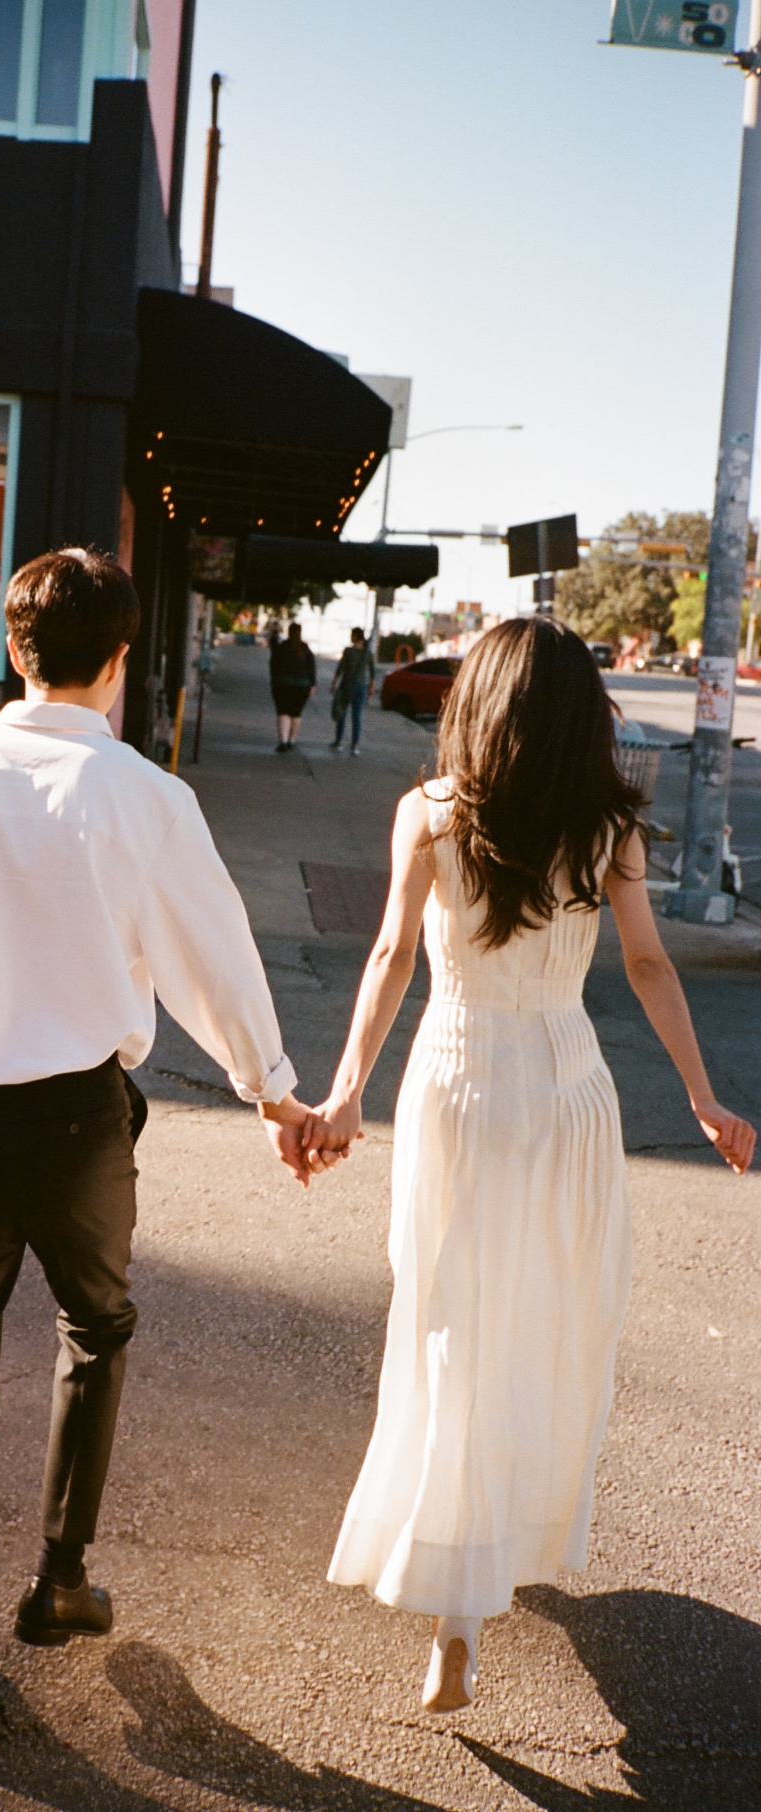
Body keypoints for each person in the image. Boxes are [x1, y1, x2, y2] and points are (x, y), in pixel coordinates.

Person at [0, 548, 323, 1766]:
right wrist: (272, 1091)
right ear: (119, 665)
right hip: (83, 1125)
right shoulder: (146, 797)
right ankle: (62, 1573)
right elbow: (215, 952)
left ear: (17, 650)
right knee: (97, 1328)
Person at [310, 617, 754, 1713]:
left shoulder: (429, 815)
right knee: (546, 1323)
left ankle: (453, 1609)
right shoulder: (610, 829)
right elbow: (646, 963)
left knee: (449, 1320)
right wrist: (703, 1096)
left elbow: (391, 957)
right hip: (566, 1090)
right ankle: (506, 1542)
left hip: (457, 1082)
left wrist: (345, 1091)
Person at [269, 620, 317, 752]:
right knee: (296, 714)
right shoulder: (305, 649)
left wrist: (273, 682)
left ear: (288, 632)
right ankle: (292, 740)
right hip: (302, 686)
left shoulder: (282, 647)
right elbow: (311, 667)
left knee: (283, 712)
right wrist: (312, 685)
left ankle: (283, 741)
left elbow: (273, 665)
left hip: (282, 683)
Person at [330, 627, 376, 754]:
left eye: (352, 635)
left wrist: (334, 683)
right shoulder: (368, 653)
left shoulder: (349, 651)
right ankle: (355, 745)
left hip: (346, 686)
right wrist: (371, 687)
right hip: (361, 687)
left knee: (342, 714)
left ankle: (339, 742)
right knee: (356, 716)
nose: (351, 637)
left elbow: (341, 668)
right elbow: (372, 672)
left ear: (356, 636)